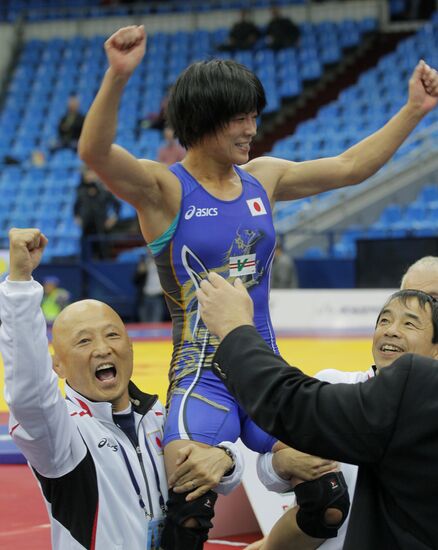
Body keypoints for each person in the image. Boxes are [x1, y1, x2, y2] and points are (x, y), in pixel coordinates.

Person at [78, 24, 438, 548]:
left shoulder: (262, 178)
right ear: (204, 121)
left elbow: (349, 168)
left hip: (265, 369)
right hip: (203, 378)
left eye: (255, 115)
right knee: (191, 502)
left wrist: (414, 110)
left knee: (330, 499)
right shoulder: (162, 190)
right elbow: (95, 153)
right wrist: (117, 76)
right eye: (240, 118)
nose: (252, 128)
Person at [0, 228, 244, 550]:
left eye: (112, 335)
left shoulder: (161, 415)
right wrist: (19, 283)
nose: (102, 349)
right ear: (56, 366)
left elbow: (230, 466)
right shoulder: (61, 436)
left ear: (130, 347)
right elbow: (29, 393)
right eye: (84, 340)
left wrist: (226, 459)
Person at [197, 271, 438, 549]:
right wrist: (281, 464)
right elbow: (269, 466)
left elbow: (291, 404)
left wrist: (234, 329)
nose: (391, 329)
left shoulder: (401, 398)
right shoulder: (336, 382)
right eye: (384, 319)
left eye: (410, 323)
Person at [74, 167, 121, 259]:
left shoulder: (103, 190)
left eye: (92, 173)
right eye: (88, 173)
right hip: (86, 228)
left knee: (103, 253)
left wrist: (113, 218)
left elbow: (117, 205)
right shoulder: (80, 191)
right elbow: (75, 207)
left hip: (101, 228)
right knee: (86, 254)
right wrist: (77, 217)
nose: (90, 176)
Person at [133, 252, 166, 322]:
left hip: (158, 297)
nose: (151, 251)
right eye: (148, 249)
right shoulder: (144, 262)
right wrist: (140, 273)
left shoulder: (164, 263)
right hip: (145, 297)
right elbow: (135, 281)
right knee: (144, 323)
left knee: (156, 323)